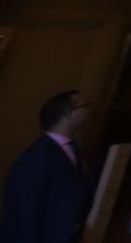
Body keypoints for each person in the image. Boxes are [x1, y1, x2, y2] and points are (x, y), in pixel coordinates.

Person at [1, 90, 91, 243]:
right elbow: (26, 212)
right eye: (84, 106)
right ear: (69, 114)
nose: (88, 111)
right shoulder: (37, 156)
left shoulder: (75, 150)